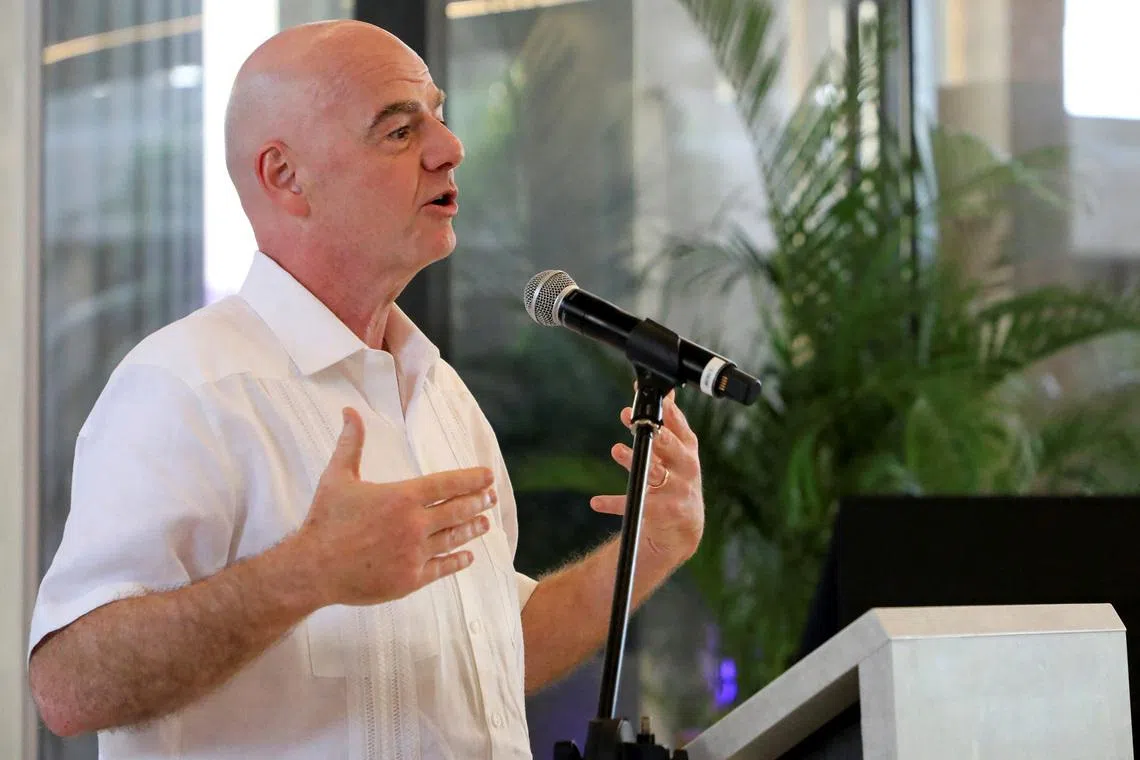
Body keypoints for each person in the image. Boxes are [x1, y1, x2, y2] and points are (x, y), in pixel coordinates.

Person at [27, 19, 705, 760]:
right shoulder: (187, 387)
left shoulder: (441, 395)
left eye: (439, 117)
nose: (451, 148)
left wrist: (650, 547)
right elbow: (70, 684)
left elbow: (488, 661)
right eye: (399, 131)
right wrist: (306, 573)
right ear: (285, 177)